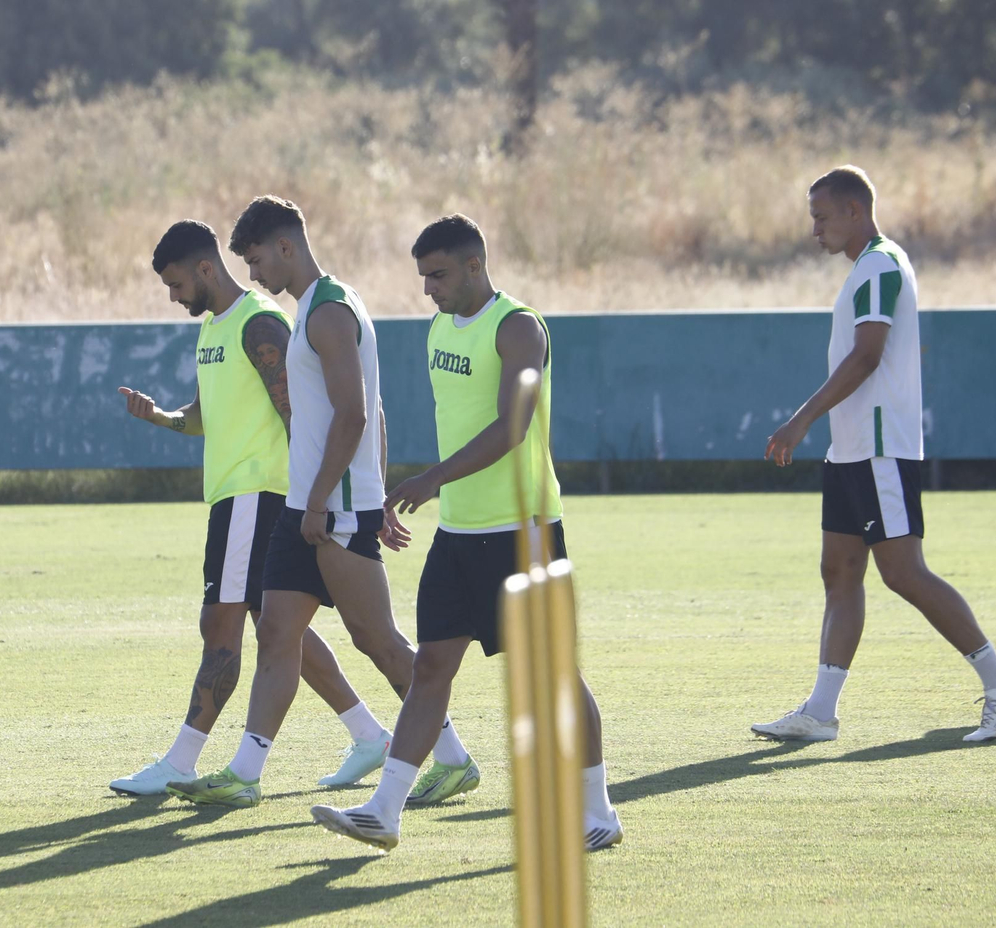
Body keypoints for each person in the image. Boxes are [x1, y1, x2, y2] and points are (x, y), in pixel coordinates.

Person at [310, 214, 622, 853]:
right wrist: (409, 492)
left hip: (522, 533)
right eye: (424, 277)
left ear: (475, 265)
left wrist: (432, 479)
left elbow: (512, 426)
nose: (428, 289)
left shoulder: (518, 327)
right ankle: (384, 811)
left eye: (439, 275)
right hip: (458, 535)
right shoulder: (438, 327)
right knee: (430, 668)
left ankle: (599, 811)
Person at [167, 197, 472, 807]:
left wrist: (340, 502)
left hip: (331, 511)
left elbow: (355, 415)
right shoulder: (312, 307)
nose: (254, 275)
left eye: (257, 261)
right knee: (277, 633)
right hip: (308, 508)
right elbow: (372, 410)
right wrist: (347, 497)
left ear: (286, 247)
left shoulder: (330, 311)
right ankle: (245, 774)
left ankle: (453, 758)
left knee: (378, 641)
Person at [109, 220, 393, 796]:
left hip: (257, 494)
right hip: (239, 496)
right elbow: (202, 415)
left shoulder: (260, 321)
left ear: (205, 269)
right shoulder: (214, 326)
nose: (174, 296)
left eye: (176, 284)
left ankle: (182, 761)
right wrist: (160, 416)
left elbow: (302, 414)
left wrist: (314, 498)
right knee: (278, 630)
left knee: (221, 624)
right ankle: (369, 736)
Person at [758, 165, 996, 743]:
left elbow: (867, 357)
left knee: (903, 573)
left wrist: (801, 419)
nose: (815, 230)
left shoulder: (880, 265)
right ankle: (821, 712)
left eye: (821, 217)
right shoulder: (867, 268)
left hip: (880, 447)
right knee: (839, 571)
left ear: (855, 210)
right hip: (852, 449)